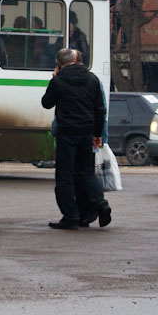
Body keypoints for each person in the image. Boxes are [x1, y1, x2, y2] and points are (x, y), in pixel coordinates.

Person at [41, 47, 112, 229]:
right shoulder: (92, 79)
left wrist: (54, 79)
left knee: (64, 176)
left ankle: (70, 215)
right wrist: (97, 134)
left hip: (66, 134)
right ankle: (101, 204)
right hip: (86, 133)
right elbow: (100, 110)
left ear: (59, 64)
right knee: (86, 172)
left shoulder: (59, 80)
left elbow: (46, 103)